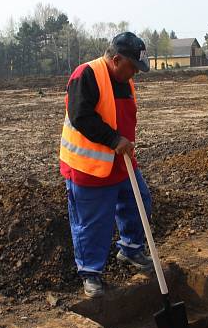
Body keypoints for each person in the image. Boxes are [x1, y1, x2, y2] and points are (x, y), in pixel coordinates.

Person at [59, 32, 154, 298]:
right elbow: (81, 117)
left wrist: (121, 145)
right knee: (93, 223)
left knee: (140, 203)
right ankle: (90, 274)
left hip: (121, 161)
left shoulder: (124, 79)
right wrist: (113, 139)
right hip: (88, 166)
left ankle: (131, 249)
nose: (134, 74)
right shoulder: (86, 74)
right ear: (116, 59)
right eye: (132, 67)